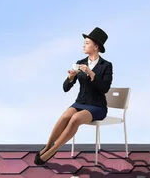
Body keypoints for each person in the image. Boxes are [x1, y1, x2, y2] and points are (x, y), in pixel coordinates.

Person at [35, 27, 113, 165]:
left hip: (97, 106)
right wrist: (70, 78)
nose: (83, 45)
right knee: (65, 116)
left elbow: (105, 89)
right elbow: (65, 89)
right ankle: (47, 146)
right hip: (80, 102)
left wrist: (91, 73)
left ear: (96, 46)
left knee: (75, 118)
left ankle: (53, 151)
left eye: (87, 43)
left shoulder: (106, 65)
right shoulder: (80, 62)